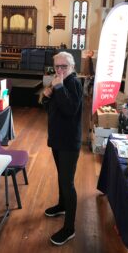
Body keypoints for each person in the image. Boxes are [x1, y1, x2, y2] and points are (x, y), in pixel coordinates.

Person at [41, 51, 83, 246]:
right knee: (61, 176)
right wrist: (47, 95)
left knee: (68, 182)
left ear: (72, 67)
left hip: (69, 142)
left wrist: (57, 88)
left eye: (63, 66)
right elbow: (48, 107)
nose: (59, 70)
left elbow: (70, 110)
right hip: (57, 138)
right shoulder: (58, 81)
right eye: (56, 66)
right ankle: (62, 205)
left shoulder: (73, 82)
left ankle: (69, 228)